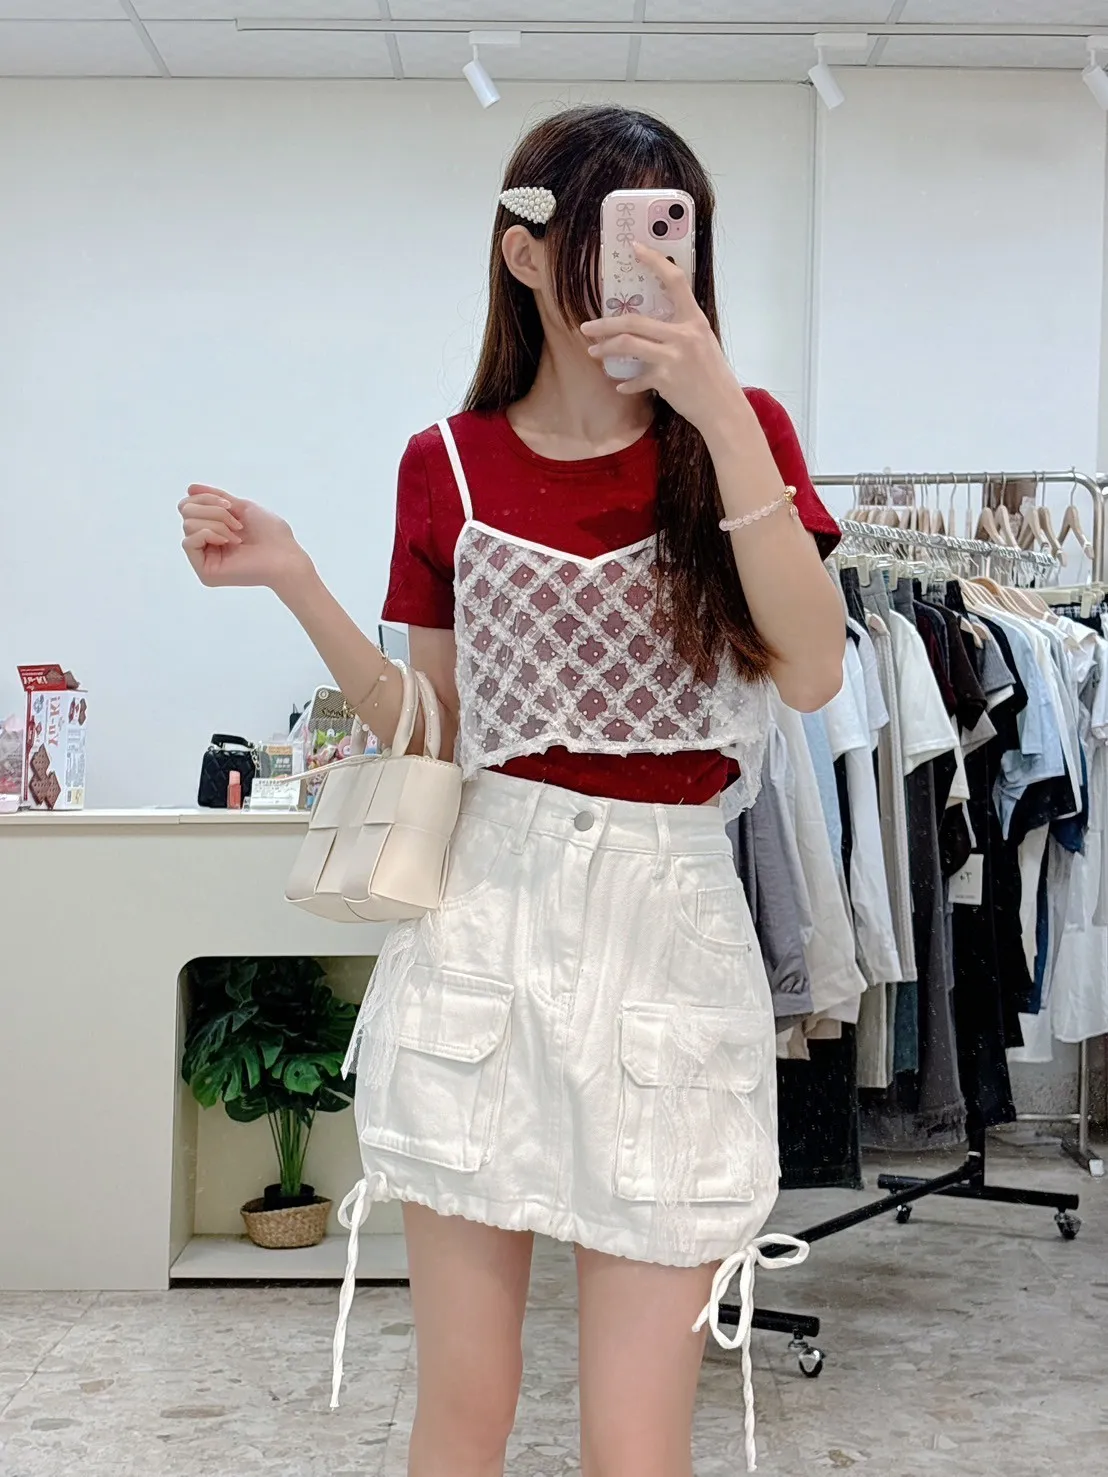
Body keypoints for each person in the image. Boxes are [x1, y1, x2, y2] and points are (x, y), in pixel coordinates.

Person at [179, 104, 844, 1477]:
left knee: (636, 1440)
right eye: (615, 229)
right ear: (528, 251)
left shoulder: (740, 432)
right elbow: (432, 738)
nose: (649, 265)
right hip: (486, 918)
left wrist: (723, 413)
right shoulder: (447, 463)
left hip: (668, 919)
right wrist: (296, 581)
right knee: (464, 1412)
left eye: (672, 231)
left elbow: (815, 670)